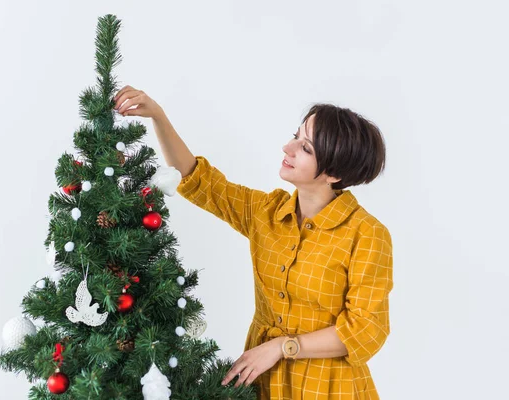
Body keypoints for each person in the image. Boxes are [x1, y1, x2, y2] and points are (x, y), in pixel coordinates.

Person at [112, 85, 393, 400]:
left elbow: (365, 330)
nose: (288, 147)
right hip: (264, 382)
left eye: (306, 148)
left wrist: (283, 347)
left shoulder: (366, 234)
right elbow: (198, 181)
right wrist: (157, 116)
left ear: (334, 174)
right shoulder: (268, 213)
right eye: (296, 136)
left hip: (328, 387)